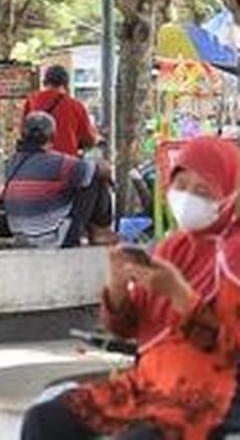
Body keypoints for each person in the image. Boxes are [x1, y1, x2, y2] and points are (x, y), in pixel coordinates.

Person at [21, 136, 240, 440]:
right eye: (181, 185)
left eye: (203, 191)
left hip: (206, 397)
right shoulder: (173, 248)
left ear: (229, 194)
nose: (188, 198)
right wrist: (117, 285)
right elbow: (126, 328)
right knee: (46, 420)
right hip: (146, 386)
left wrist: (178, 294)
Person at [3, 112, 116, 248]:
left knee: (82, 176)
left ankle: (98, 232)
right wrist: (107, 177)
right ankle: (101, 232)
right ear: (52, 136)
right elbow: (104, 169)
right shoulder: (59, 162)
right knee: (93, 177)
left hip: (20, 236)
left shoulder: (12, 163)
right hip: (52, 238)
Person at [22, 65, 98, 157]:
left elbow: (24, 131)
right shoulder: (76, 106)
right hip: (66, 164)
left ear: (45, 82)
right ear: (66, 84)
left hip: (37, 161)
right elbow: (88, 139)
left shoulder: (32, 101)